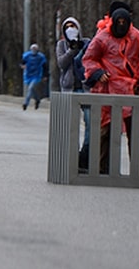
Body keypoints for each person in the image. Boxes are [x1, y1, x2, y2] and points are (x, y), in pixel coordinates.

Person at [82, 5, 139, 174]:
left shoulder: (137, 37)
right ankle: (102, 167)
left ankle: (137, 169)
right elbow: (89, 58)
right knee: (106, 131)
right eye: (118, 22)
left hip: (132, 89)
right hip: (108, 90)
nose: (121, 25)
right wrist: (97, 72)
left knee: (134, 132)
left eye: (124, 22)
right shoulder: (102, 38)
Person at [56, 16, 91, 169]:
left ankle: (86, 153)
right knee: (71, 124)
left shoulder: (87, 43)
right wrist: (71, 49)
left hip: (85, 88)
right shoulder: (62, 44)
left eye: (73, 26)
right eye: (67, 27)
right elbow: (62, 64)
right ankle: (73, 156)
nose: (71, 29)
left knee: (90, 122)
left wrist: (81, 47)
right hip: (69, 88)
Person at [21, 44, 48, 110]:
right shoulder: (26, 55)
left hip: (36, 75)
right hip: (28, 75)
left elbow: (45, 66)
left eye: (35, 49)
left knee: (30, 88)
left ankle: (25, 103)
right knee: (32, 90)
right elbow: (22, 62)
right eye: (33, 49)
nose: (34, 50)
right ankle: (37, 99)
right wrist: (23, 66)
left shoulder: (41, 57)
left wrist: (45, 75)